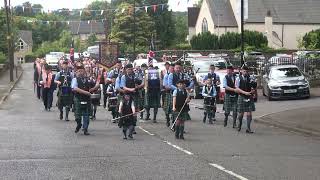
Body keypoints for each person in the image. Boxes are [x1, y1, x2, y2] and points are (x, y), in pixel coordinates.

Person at [235, 66, 257, 133]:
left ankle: (248, 128)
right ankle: (240, 124)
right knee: (241, 114)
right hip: (242, 96)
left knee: (249, 113)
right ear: (241, 71)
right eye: (244, 71)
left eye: (247, 71)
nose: (245, 73)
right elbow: (237, 88)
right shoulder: (238, 78)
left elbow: (253, 86)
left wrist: (253, 91)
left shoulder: (250, 78)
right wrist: (245, 92)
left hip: (249, 97)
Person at [71, 65, 92, 135]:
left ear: (84, 72)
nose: (80, 72)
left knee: (86, 115)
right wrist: (86, 92)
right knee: (77, 115)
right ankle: (79, 124)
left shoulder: (88, 79)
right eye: (79, 71)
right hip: (78, 98)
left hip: (86, 99)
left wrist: (97, 86)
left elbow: (94, 85)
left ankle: (85, 129)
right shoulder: (75, 79)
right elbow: (75, 88)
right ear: (76, 72)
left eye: (82, 71)